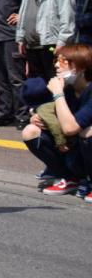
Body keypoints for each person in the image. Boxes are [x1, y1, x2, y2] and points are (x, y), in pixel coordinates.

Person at [21, 44, 92, 198]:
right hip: (76, 148)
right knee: (31, 131)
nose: (56, 65)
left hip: (83, 142)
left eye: (63, 61)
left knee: (88, 132)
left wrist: (58, 94)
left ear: (81, 67)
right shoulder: (68, 88)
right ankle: (69, 177)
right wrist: (36, 116)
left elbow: (70, 128)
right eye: (56, 60)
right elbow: (47, 109)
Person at [16, 0, 75, 81]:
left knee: (56, 81)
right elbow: (23, 11)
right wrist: (20, 38)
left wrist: (63, 42)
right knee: (37, 85)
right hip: (31, 46)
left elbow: (68, 16)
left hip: (52, 45)